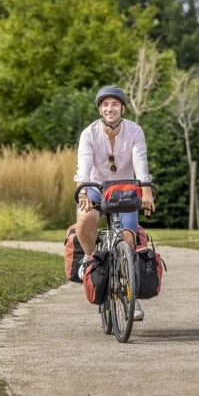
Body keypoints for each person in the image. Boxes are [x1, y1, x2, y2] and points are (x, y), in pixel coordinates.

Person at [74, 85, 155, 321]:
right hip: (97, 188)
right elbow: (85, 165)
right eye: (105, 104)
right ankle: (91, 260)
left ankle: (131, 297)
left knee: (128, 240)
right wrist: (83, 192)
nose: (110, 109)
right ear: (100, 109)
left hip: (126, 189)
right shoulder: (89, 134)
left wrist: (146, 189)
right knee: (86, 217)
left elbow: (140, 161)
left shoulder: (134, 131)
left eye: (115, 104)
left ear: (122, 108)